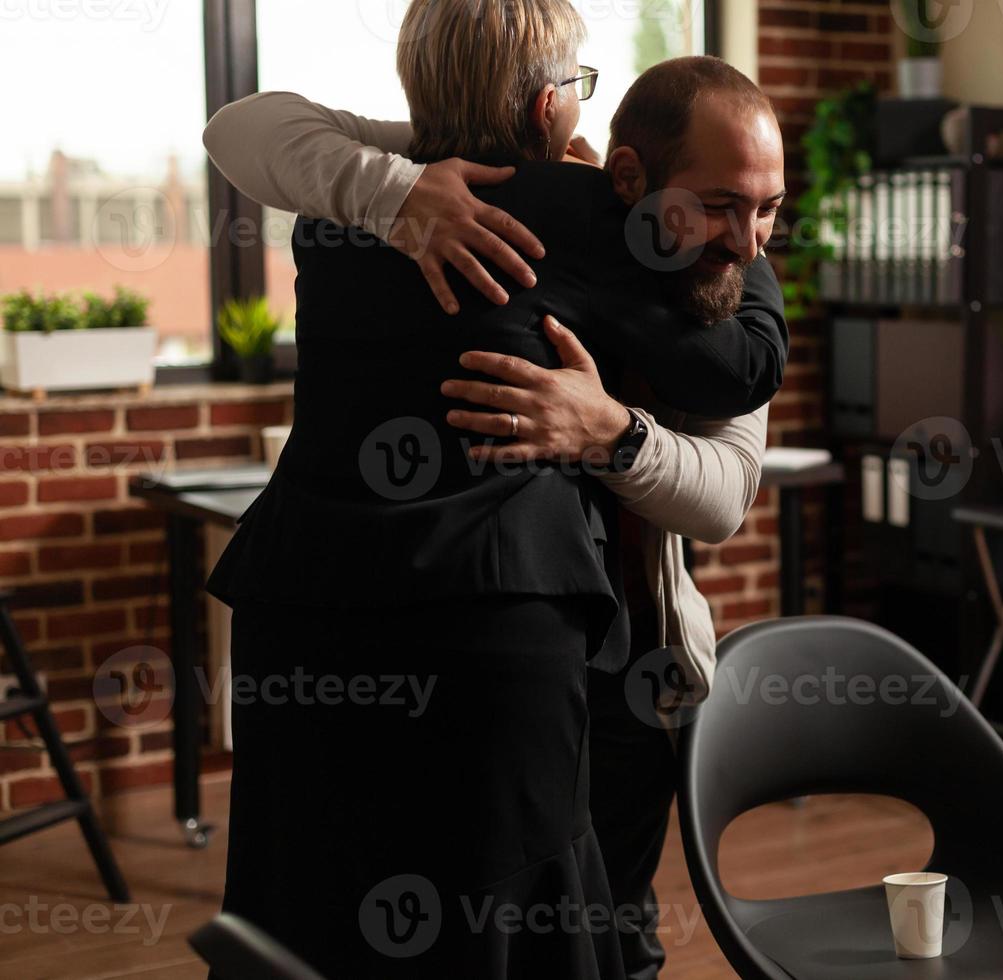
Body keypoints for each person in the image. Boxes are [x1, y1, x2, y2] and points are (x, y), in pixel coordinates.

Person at [202, 2, 786, 976]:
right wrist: (759, 248)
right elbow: (747, 363)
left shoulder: (341, 206)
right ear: (553, 103)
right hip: (490, 618)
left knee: (318, 905)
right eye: (731, 205)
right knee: (506, 923)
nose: (745, 232)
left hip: (299, 611)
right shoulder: (584, 212)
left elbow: (245, 127)